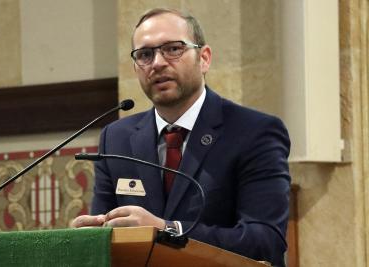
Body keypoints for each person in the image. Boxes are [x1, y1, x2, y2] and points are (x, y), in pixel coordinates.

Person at [72, 7, 290, 267]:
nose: (157, 63)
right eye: (145, 54)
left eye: (173, 49)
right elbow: (108, 235)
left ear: (204, 58)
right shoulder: (116, 138)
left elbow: (266, 241)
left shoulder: (254, 132)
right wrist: (91, 237)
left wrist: (167, 229)